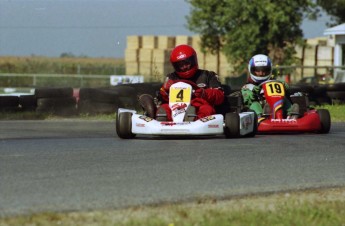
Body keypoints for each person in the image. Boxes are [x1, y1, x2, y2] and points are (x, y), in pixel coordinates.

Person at [155, 44, 225, 121]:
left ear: (193, 60)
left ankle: (193, 119)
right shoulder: (171, 77)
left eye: (187, 63)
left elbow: (220, 96)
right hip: (176, 107)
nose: (184, 67)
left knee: (206, 109)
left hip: (199, 106)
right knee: (164, 108)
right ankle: (163, 120)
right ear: (176, 66)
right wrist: (164, 91)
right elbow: (162, 98)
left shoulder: (208, 75)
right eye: (181, 65)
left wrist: (204, 93)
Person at [241, 54, 299, 119]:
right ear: (251, 70)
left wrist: (285, 86)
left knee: (284, 99)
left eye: (264, 70)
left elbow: (288, 91)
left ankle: (291, 115)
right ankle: (261, 117)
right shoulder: (248, 86)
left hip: (274, 104)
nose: (261, 73)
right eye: (258, 70)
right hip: (257, 108)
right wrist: (254, 92)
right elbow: (247, 99)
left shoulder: (273, 82)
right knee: (255, 104)